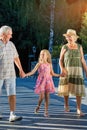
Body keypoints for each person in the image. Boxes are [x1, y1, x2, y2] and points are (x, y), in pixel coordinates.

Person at [24, 49, 63, 117]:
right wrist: (25, 74)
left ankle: (46, 110)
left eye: (43, 54)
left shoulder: (49, 64)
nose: (41, 55)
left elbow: (52, 73)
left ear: (47, 56)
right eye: (41, 54)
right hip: (41, 81)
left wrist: (60, 75)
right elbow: (32, 72)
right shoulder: (39, 64)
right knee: (42, 96)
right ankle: (38, 105)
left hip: (48, 81)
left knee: (47, 96)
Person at [58, 29, 87, 116]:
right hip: (67, 71)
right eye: (67, 37)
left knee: (78, 90)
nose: (69, 38)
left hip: (77, 71)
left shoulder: (79, 47)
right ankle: (66, 105)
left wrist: (86, 71)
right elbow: (60, 60)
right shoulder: (64, 47)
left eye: (70, 36)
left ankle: (78, 109)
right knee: (66, 89)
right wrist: (62, 68)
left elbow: (82, 60)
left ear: (75, 37)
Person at [0, 25, 25, 122]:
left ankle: (12, 115)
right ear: (3, 35)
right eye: (10, 34)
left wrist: (21, 70)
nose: (11, 36)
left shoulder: (11, 44)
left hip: (10, 73)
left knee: (12, 94)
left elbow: (16, 58)